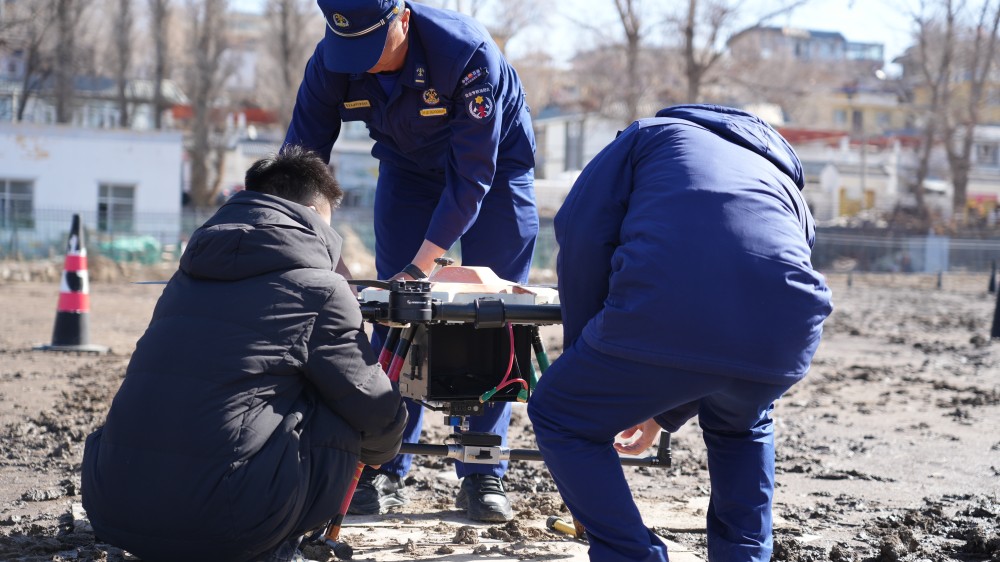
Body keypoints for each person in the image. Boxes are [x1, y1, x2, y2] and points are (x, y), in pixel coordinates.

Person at [527, 104, 834, 562]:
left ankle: (632, 556)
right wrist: (662, 412)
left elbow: (582, 233)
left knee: (559, 415)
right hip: (784, 336)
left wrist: (586, 357)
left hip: (666, 307)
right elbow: (749, 303)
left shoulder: (649, 135)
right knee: (743, 423)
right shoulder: (782, 180)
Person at [80, 146, 408, 562]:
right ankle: (279, 545)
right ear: (311, 213)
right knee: (341, 410)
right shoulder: (321, 289)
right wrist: (379, 454)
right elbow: (375, 412)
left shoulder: (185, 280)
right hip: (229, 524)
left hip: (114, 504)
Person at [282, 0, 538, 523]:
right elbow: (300, 167)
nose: (364, 64)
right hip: (407, 168)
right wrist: (324, 250)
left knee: (494, 313)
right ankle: (385, 465)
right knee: (396, 317)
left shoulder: (465, 53)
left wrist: (423, 266)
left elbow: (472, 179)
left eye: (373, 49)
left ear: (401, 17)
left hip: (494, 169)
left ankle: (482, 469)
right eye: (350, 51)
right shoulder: (332, 62)